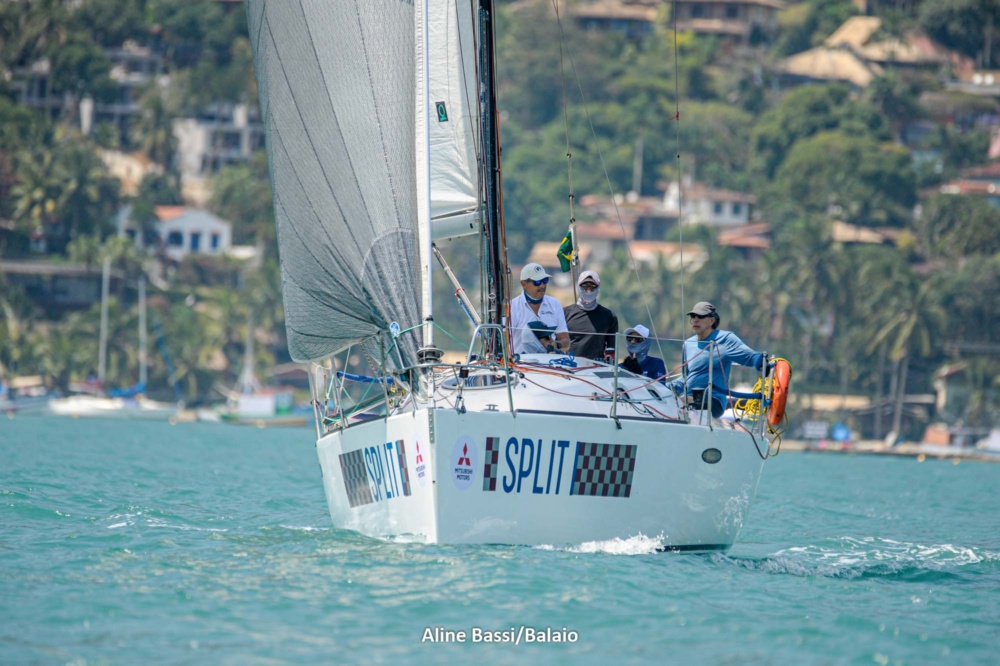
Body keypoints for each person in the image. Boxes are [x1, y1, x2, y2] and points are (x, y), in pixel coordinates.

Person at [668, 301, 765, 418]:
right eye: (693, 316)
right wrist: (661, 386)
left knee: (679, 402)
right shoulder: (688, 344)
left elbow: (750, 356)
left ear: (711, 320)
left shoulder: (726, 339)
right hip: (687, 399)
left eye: (700, 316)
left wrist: (761, 362)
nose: (695, 320)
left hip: (713, 401)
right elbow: (685, 377)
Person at [509, 263, 571, 355]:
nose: (542, 286)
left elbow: (565, 340)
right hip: (521, 361)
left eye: (545, 281)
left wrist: (557, 345)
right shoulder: (512, 306)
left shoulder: (555, 304)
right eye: (537, 282)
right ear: (523, 284)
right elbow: (505, 340)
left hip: (550, 361)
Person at [563, 270, 619, 360]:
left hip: (596, 367)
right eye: (585, 286)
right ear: (578, 287)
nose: (588, 290)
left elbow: (612, 350)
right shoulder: (565, 313)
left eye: (592, 286)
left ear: (598, 288)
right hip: (569, 365)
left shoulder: (609, 316)